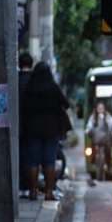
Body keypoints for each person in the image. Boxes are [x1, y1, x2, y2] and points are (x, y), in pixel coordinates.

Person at [22, 62, 70, 201]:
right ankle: (49, 192)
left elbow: (24, 107)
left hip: (32, 130)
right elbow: (65, 104)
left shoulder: (30, 88)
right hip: (51, 131)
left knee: (33, 162)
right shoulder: (53, 88)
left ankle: (33, 191)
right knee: (49, 161)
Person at [85, 101, 112, 186]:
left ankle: (109, 166)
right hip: (96, 140)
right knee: (92, 151)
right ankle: (94, 164)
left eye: (102, 108)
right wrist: (88, 130)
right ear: (96, 109)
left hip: (106, 140)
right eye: (99, 108)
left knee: (108, 151)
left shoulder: (108, 116)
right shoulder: (93, 117)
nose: (100, 109)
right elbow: (89, 125)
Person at [18, 52, 34, 197]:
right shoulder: (35, 80)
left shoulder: (15, 80)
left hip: (18, 125)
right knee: (31, 157)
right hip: (33, 126)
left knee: (20, 156)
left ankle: (21, 186)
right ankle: (31, 187)